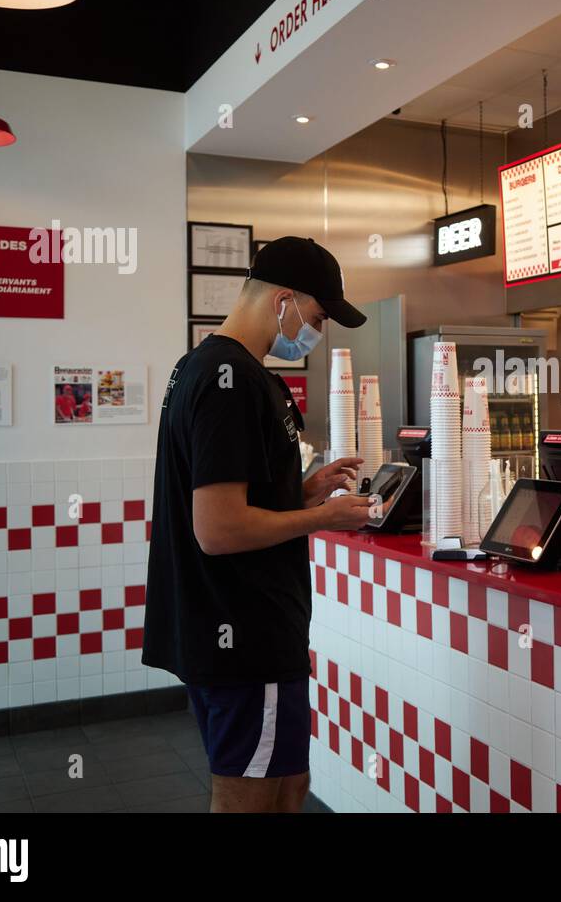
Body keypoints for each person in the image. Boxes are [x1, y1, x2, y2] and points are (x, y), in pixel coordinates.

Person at [143, 236, 372, 812]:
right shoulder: (231, 380)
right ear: (285, 300)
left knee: (286, 787)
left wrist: (304, 491)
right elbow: (217, 530)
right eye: (318, 316)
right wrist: (321, 519)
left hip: (238, 629)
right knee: (250, 796)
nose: (316, 331)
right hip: (243, 631)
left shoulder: (202, 366)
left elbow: (232, 496)